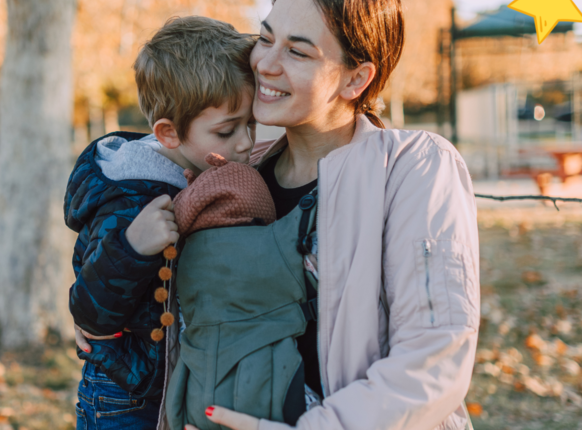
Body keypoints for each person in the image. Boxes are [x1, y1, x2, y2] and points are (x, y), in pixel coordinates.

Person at [184, 0, 480, 429]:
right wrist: (103, 315)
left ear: (356, 78)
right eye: (265, 38)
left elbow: (433, 361)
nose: (265, 63)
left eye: (297, 52)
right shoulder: (238, 178)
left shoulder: (412, 168)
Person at [64, 16, 257, 429]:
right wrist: (132, 246)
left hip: (175, 383)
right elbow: (88, 312)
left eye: (251, 123)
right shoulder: (130, 198)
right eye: (227, 131)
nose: (245, 142)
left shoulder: (203, 166)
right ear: (168, 133)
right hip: (125, 396)